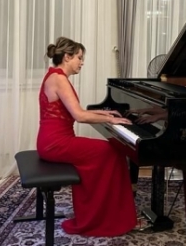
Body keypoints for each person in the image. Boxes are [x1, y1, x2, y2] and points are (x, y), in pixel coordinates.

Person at [36, 36, 138, 237]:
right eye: (79, 58)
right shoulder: (59, 79)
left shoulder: (54, 75)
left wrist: (105, 113)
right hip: (55, 143)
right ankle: (103, 217)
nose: (82, 62)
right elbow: (80, 116)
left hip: (51, 140)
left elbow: (77, 111)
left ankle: (108, 213)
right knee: (112, 152)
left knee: (111, 152)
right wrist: (110, 120)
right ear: (67, 57)